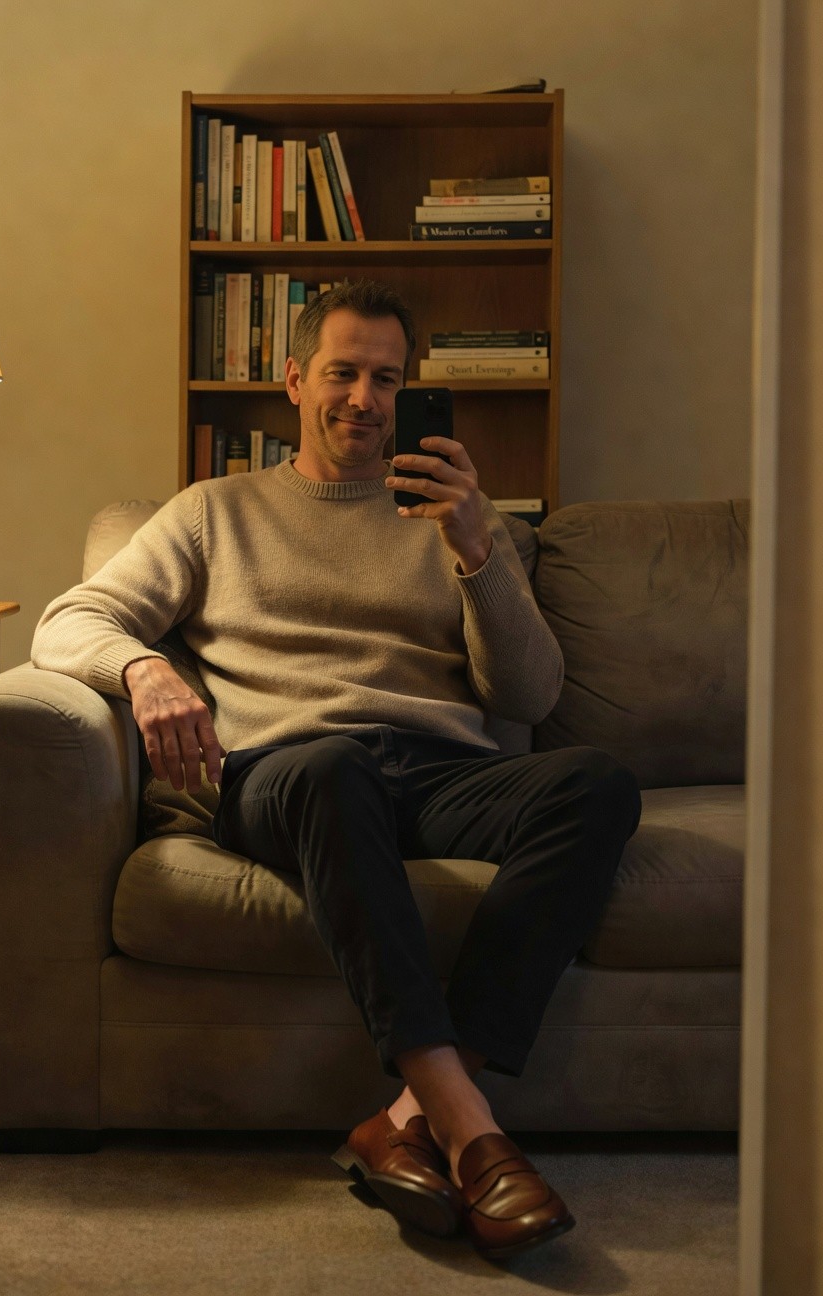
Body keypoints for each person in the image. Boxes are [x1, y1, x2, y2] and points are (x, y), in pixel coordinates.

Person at [32, 279, 640, 1259]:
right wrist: (145, 669)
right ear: (292, 381)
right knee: (330, 769)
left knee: (597, 785)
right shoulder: (211, 513)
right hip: (288, 772)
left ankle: (404, 1118)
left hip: (439, 772)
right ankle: (470, 1127)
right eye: (342, 373)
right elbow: (69, 622)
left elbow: (528, 697)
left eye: (387, 379)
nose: (365, 397)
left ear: (410, 392)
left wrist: (477, 549)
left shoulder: (460, 524)